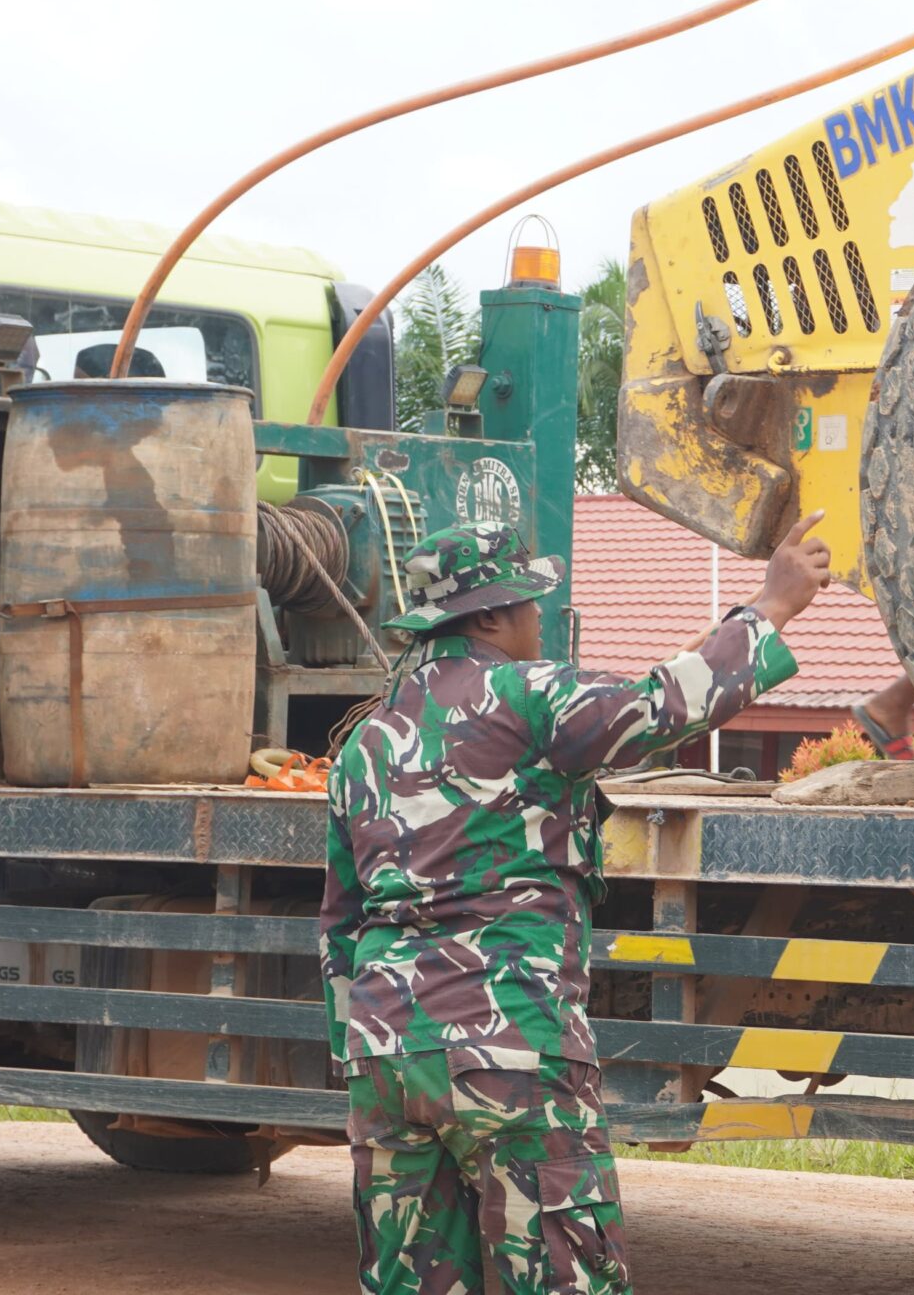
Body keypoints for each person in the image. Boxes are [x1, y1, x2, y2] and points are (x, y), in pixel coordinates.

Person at [321, 514, 832, 1293]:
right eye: (530, 604)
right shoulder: (527, 698)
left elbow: (340, 923)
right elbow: (661, 706)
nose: (540, 619)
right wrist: (773, 605)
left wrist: (356, 1050)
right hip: (511, 1045)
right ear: (491, 614)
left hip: (387, 1057)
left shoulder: (367, 740)